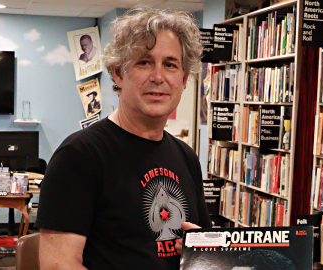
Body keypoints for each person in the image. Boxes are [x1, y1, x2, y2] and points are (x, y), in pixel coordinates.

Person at [36, 7, 211, 270]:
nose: (158, 77)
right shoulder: (78, 155)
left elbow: (205, 251)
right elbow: (57, 265)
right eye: (144, 62)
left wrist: (200, 251)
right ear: (118, 73)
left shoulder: (186, 157)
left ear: (184, 79)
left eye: (170, 65)